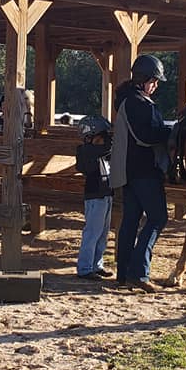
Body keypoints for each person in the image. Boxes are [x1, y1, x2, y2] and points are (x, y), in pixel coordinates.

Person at [110, 54, 173, 293]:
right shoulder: (137, 102)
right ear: (144, 79)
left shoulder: (130, 99)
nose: (156, 86)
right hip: (144, 170)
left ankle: (124, 273)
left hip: (130, 171)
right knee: (158, 218)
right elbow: (145, 136)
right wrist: (169, 133)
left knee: (130, 222)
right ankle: (139, 272)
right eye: (154, 81)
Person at [74, 115, 114, 280]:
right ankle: (85, 268)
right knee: (92, 232)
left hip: (105, 194)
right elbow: (87, 164)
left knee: (102, 233)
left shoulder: (100, 150)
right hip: (95, 195)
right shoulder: (86, 152)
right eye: (101, 137)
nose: (105, 140)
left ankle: (97, 265)